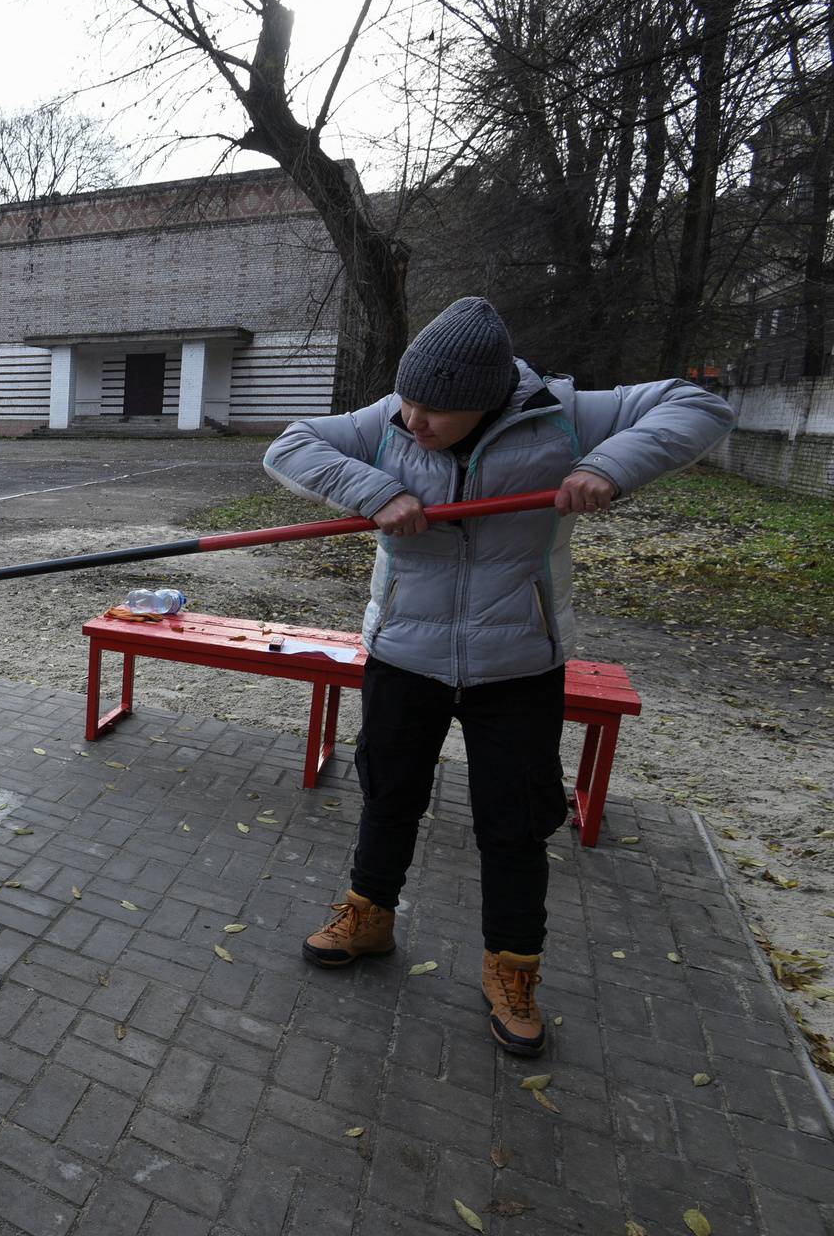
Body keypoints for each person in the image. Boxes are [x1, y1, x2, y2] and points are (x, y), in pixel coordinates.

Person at [262, 297, 731, 1056]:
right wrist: (377, 491)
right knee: (389, 794)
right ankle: (370, 916)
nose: (413, 422)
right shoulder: (391, 419)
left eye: (435, 412)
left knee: (513, 825)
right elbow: (291, 445)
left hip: (517, 663)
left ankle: (512, 969)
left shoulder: (565, 415)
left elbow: (697, 403)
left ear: (485, 400)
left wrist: (607, 465)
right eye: (408, 402)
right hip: (405, 655)